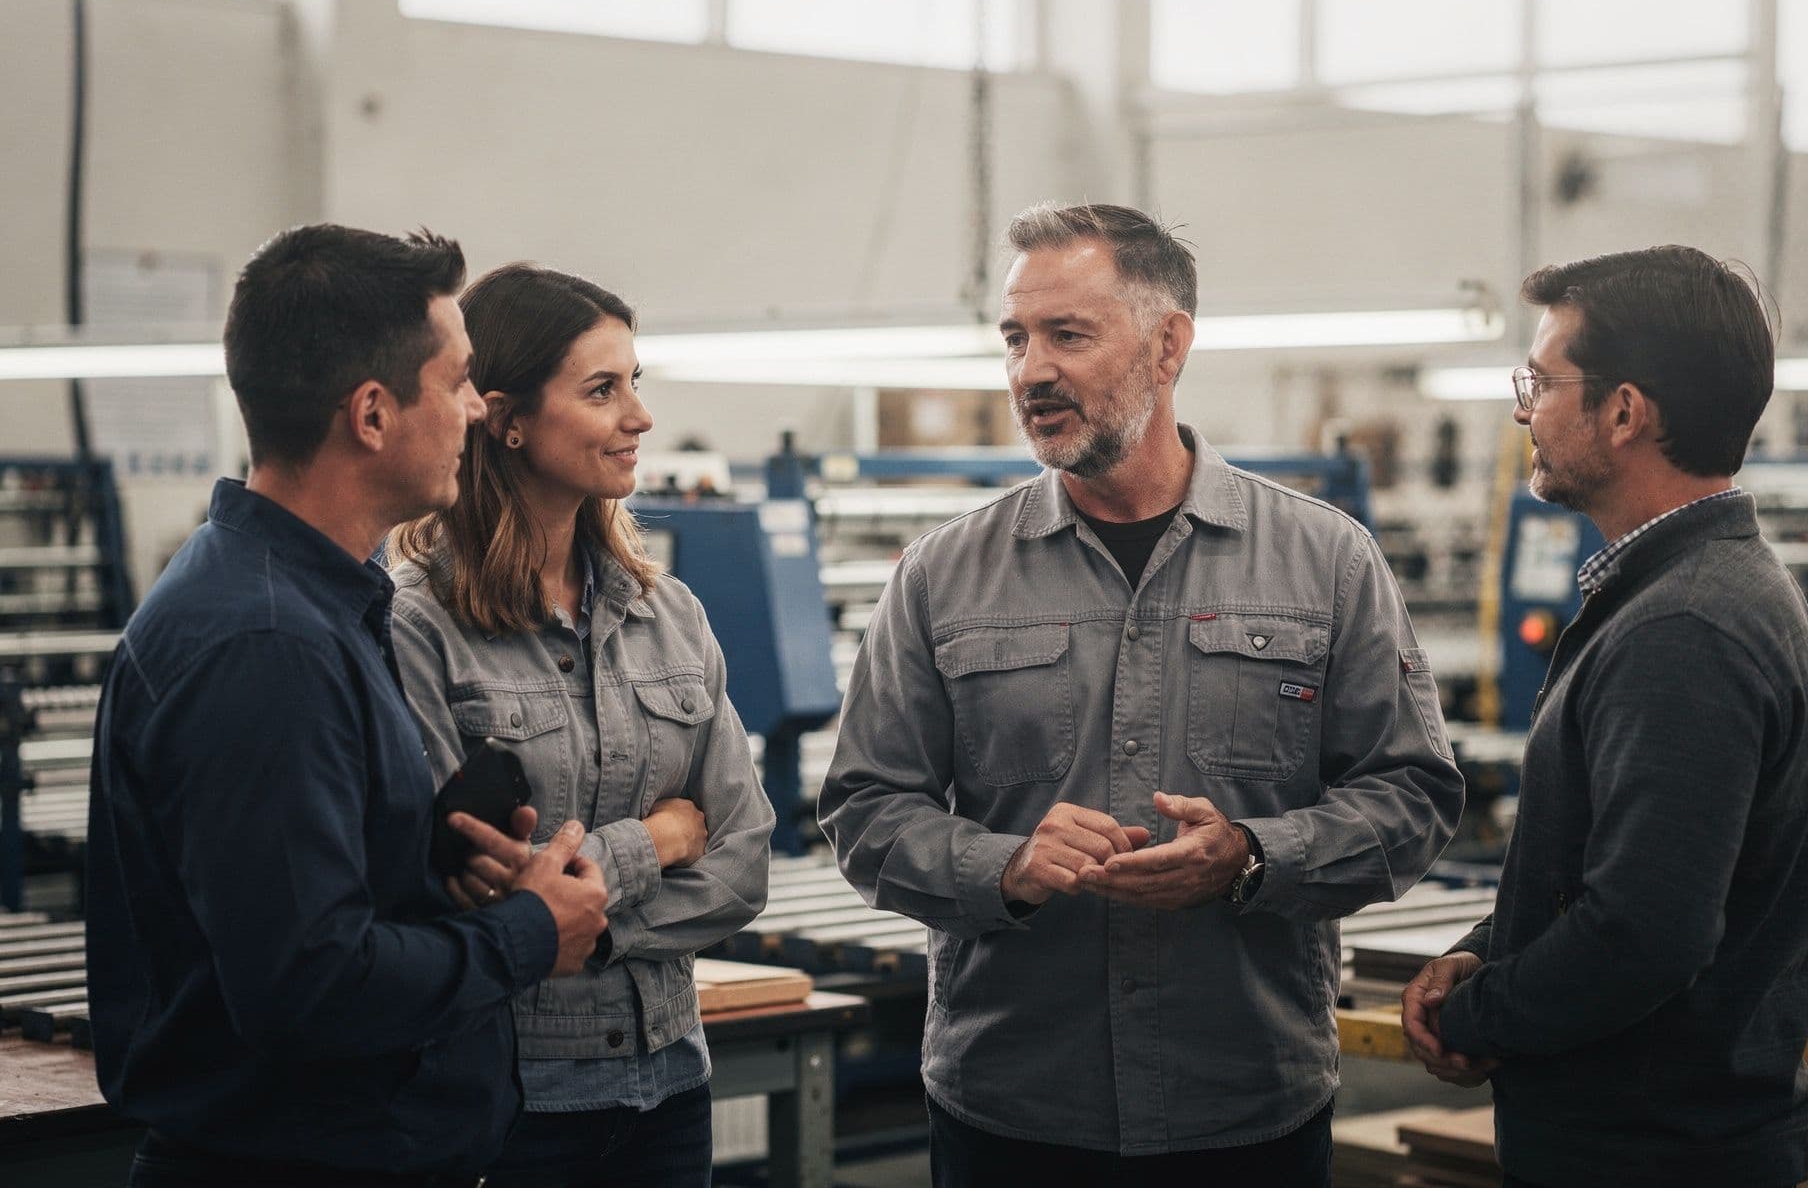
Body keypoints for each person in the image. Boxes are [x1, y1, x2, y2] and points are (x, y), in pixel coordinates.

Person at [818, 202, 1464, 1185]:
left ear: (1169, 347)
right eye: (1015, 338)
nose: (1031, 369)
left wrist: (1256, 853)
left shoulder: (1325, 561)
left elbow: (1411, 793)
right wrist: (1007, 866)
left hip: (1243, 1101)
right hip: (1016, 1105)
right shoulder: (942, 576)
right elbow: (865, 809)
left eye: (1068, 334)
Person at [86, 225, 610, 1186]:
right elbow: (308, 988)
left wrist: (434, 868)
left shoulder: (313, 603)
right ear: (372, 414)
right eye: (456, 383)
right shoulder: (267, 644)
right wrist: (529, 932)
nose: (473, 411)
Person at [1400, 247, 1808, 1188]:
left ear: (1625, 412)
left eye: (1542, 381)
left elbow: (1644, 935)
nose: (1525, 408)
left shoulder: (1685, 626)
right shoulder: (1702, 594)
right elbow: (1618, 871)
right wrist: (1486, 952)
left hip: (1651, 1154)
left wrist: (1473, 1019)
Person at [388, 263, 774, 1188]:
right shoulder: (417, 628)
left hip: (671, 1085)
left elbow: (745, 856)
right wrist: (658, 836)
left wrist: (583, 929)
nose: (638, 416)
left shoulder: (668, 613)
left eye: (635, 383)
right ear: (505, 416)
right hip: (516, 1101)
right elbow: (462, 892)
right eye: (603, 390)